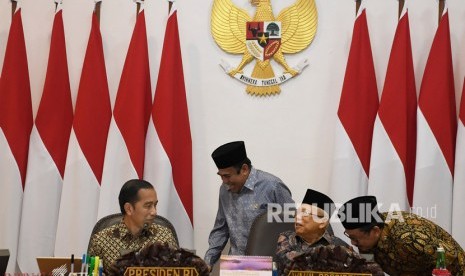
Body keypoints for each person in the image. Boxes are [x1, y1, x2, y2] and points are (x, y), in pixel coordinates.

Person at [204, 141, 294, 269]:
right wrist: (207, 262)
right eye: (221, 176)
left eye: (227, 176)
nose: (224, 181)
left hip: (267, 266)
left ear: (244, 169)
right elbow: (221, 229)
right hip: (235, 265)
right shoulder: (224, 189)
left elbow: (292, 226)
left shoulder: (272, 186)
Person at [337, 195, 465, 276]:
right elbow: (371, 269)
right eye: (349, 237)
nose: (353, 243)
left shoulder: (408, 237)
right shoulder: (366, 241)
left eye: (354, 238)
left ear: (375, 231)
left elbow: (450, 258)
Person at [88, 179, 178, 274]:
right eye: (148, 206)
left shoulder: (165, 236)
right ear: (129, 209)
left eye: (155, 205)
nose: (154, 212)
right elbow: (90, 273)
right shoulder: (101, 241)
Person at [275, 189, 349, 274]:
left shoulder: (340, 245)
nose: (298, 217)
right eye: (298, 212)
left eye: (305, 213)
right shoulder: (287, 238)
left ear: (322, 222)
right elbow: (290, 266)